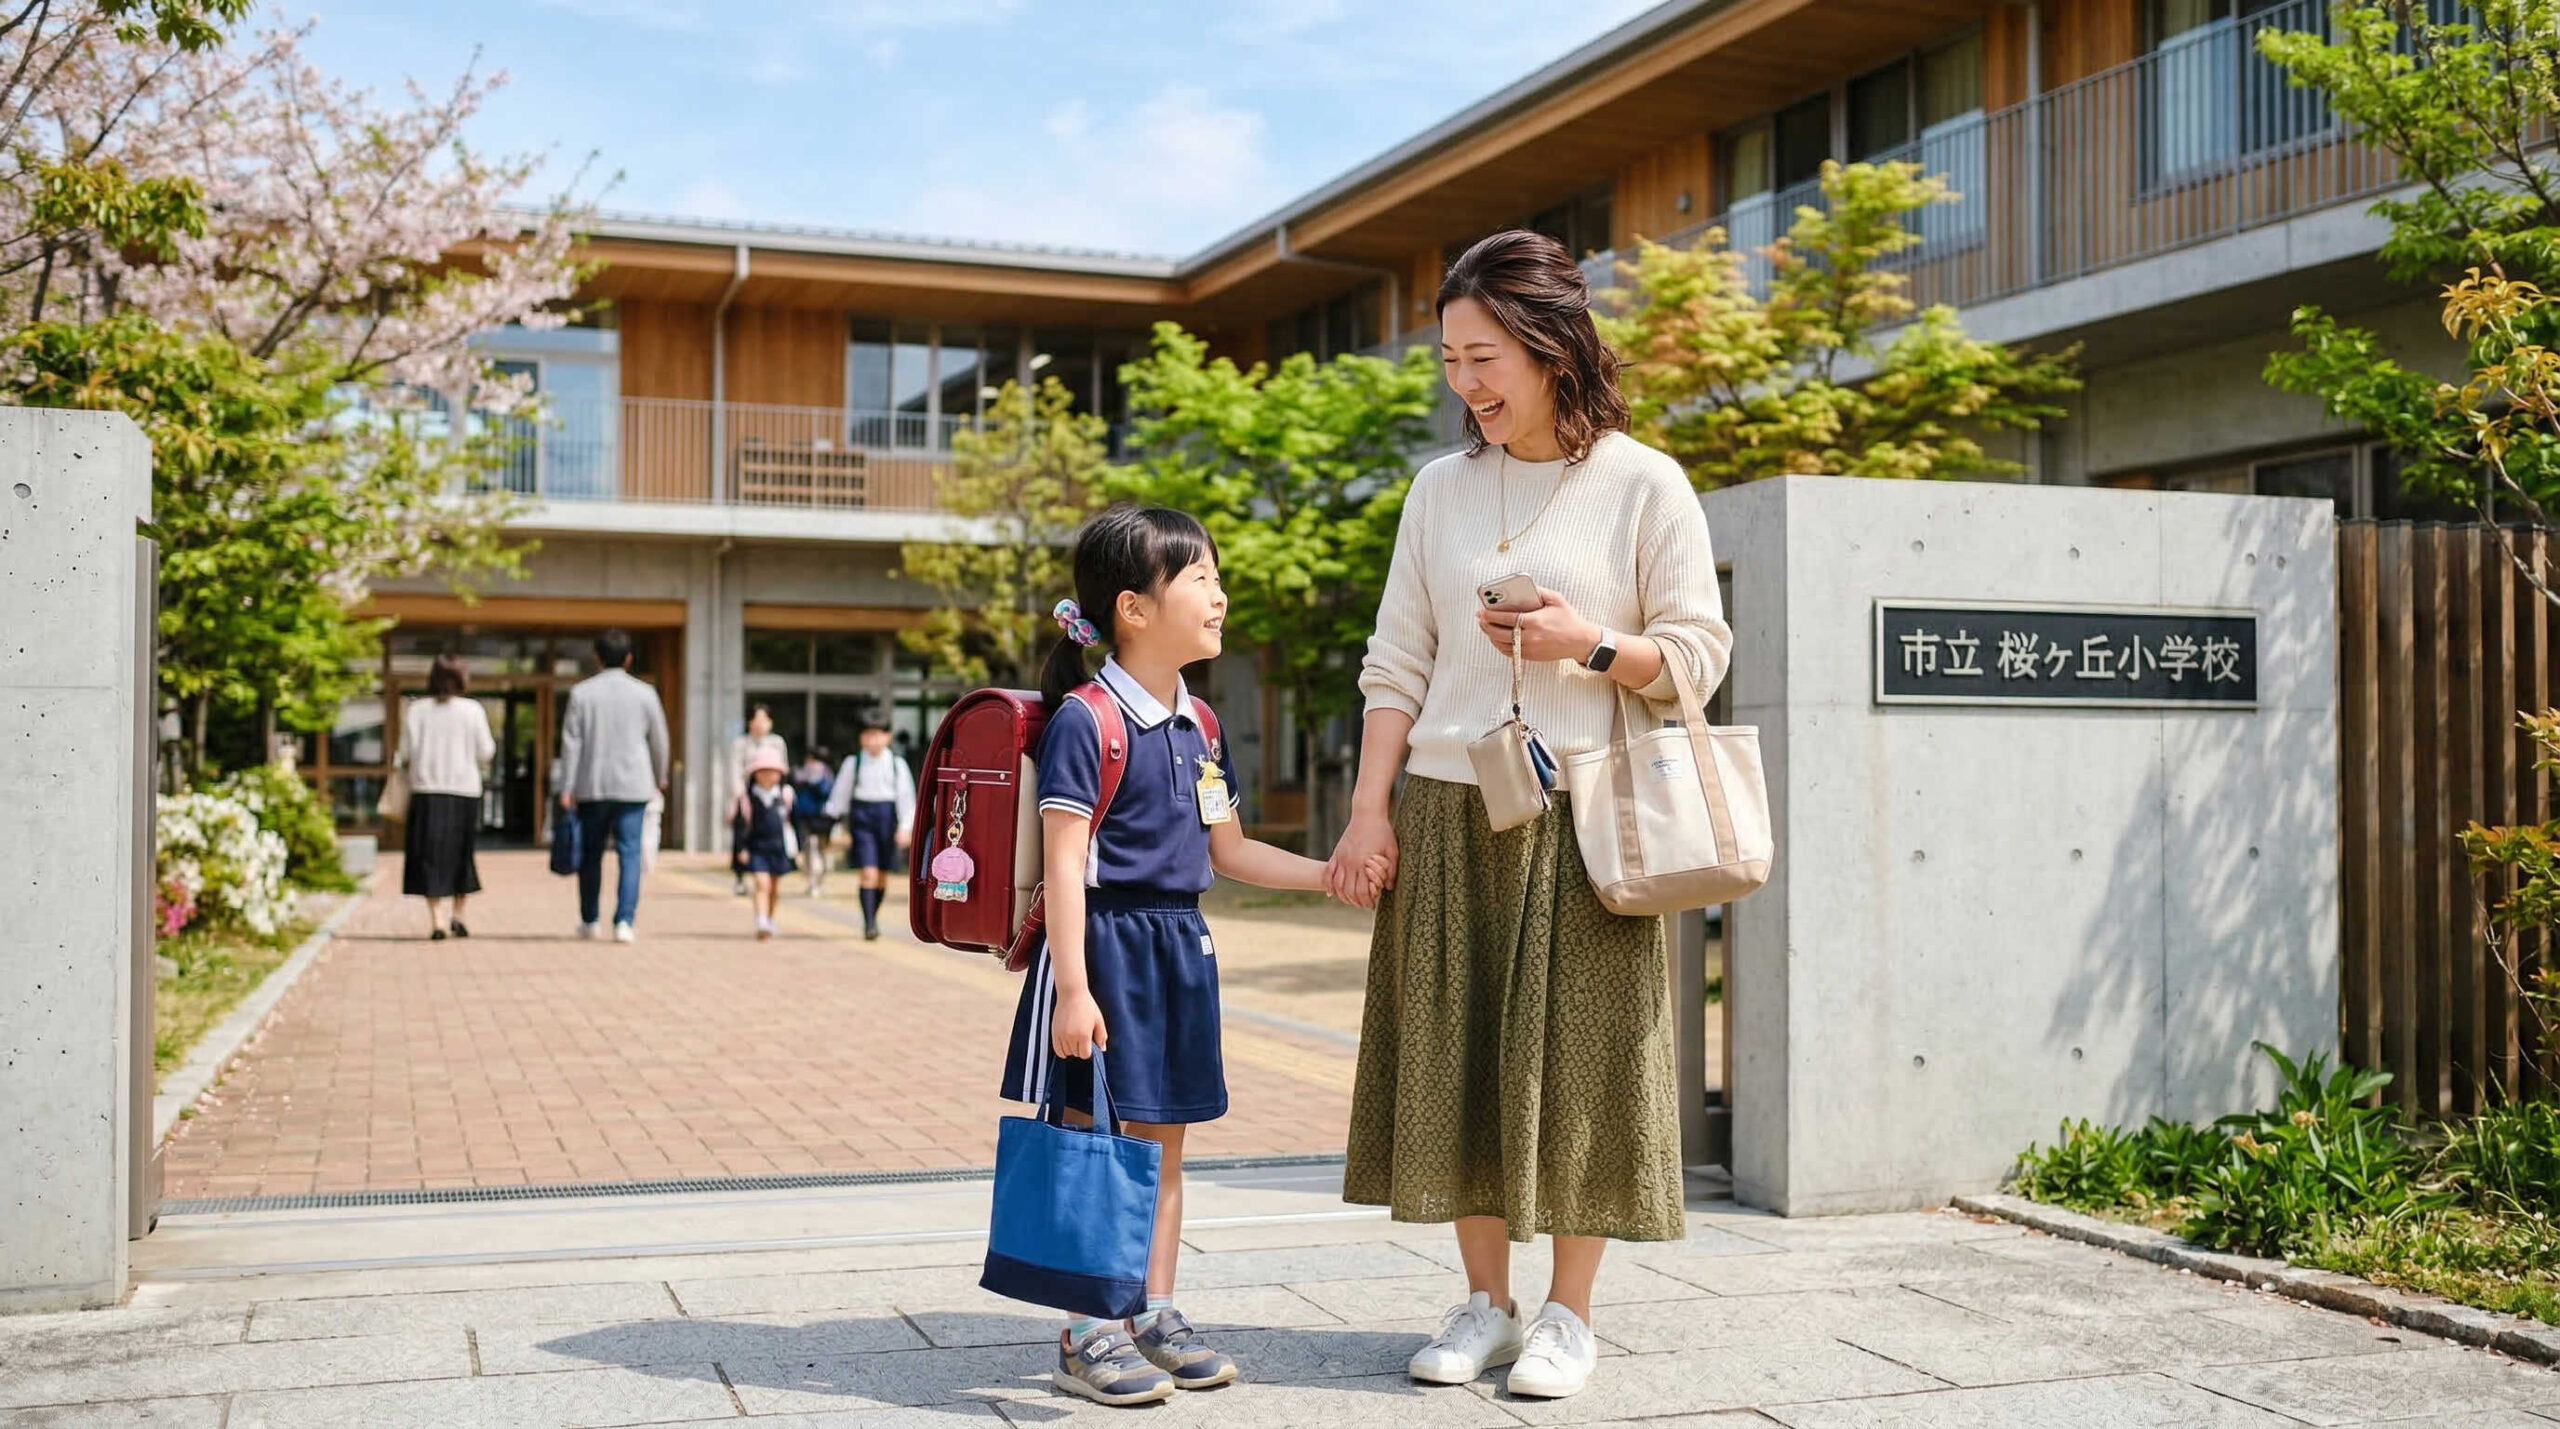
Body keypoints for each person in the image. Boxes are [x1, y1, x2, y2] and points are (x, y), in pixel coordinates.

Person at [1324, 230, 1733, 1403]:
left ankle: (1569, 1314)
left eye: (1485, 357)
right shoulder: (1439, 490)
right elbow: (1395, 662)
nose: (1466, 383)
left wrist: (1583, 642)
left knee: (1587, 1058)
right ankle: (1484, 1303)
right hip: (1451, 805)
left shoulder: (1644, 482)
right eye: (1450, 360)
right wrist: (1367, 809)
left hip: (1587, 812)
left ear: (1552, 347)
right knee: (1457, 1052)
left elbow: (1697, 657)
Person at [999, 505, 1380, 1408]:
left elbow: (1229, 849)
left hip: (1178, 950)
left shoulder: (1201, 722)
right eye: (1200, 577)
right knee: (1092, 1143)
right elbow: (1063, 868)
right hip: (1103, 951)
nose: (1220, 595)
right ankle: (1086, 1328)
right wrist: (1073, 992)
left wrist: (1329, 873)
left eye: (1217, 576)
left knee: (1163, 1144)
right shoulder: (1088, 721)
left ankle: (1152, 1308)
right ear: (1132, 608)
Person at [559, 629, 672, 944]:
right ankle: (624, 921)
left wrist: (567, 786)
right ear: (628, 658)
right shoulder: (645, 693)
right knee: (630, 853)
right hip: (635, 785)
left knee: (591, 854)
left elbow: (571, 744)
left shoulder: (581, 694)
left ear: (597, 657)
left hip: (592, 785)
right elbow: (660, 740)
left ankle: (590, 919)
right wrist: (660, 776)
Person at [396, 654, 495, 940]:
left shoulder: (417, 710)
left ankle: (437, 919)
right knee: (461, 853)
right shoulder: (472, 710)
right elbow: (486, 751)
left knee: (429, 855)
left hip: (426, 791)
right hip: (464, 791)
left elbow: (405, 753)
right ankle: (458, 914)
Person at [822, 722, 914, 939]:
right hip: (862, 818)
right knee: (868, 872)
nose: (873, 740)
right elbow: (840, 793)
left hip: (887, 818)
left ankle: (874, 914)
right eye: (868, 735)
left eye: (877, 735)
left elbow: (906, 797)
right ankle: (869, 923)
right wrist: (831, 821)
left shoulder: (897, 764)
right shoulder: (853, 763)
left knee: (881, 875)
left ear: (887, 737)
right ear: (861, 738)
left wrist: (905, 827)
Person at [732, 749, 799, 941]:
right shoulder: (747, 799)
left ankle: (770, 918)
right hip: (757, 848)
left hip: (779, 848)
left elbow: (796, 823)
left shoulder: (785, 796)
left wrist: (799, 849)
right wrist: (741, 849)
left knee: (774, 888)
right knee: (761, 883)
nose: (768, 775)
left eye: (772, 771)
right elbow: (740, 827)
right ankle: (760, 920)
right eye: (763, 771)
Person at [729, 705, 787, 895]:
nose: (761, 724)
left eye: (765, 720)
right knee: (743, 833)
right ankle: (740, 874)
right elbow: (735, 771)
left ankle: (774, 868)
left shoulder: (776, 742)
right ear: (749, 722)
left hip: (771, 793)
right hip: (748, 794)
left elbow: (782, 768)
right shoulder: (741, 743)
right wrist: (740, 796)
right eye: (757, 719)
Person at [790, 747, 838, 898]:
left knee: (820, 849)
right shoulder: (800, 775)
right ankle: (813, 881)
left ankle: (819, 880)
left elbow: (828, 793)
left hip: (821, 818)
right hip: (807, 817)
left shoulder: (825, 776)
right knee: (811, 848)